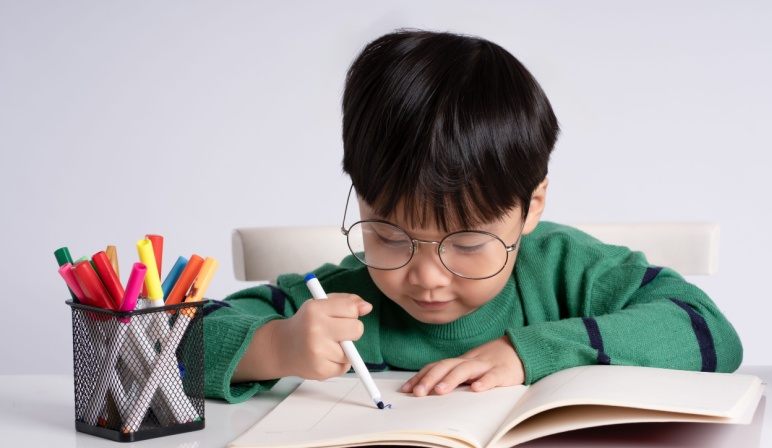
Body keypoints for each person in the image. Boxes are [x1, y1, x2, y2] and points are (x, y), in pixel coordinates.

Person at [202, 29, 743, 403]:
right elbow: (171, 348)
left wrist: (529, 351)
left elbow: (709, 331)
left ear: (531, 206)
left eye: (466, 245)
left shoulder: (564, 272)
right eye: (389, 236)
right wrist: (274, 347)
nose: (428, 277)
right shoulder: (342, 307)